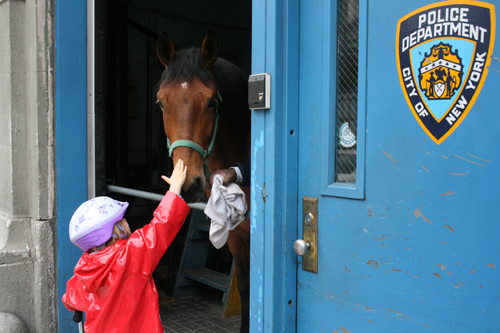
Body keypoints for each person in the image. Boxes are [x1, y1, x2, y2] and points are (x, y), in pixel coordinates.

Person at [62, 159, 189, 333]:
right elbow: (161, 226)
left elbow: (71, 297)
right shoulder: (132, 254)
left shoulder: (85, 267)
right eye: (123, 220)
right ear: (115, 230)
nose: (127, 221)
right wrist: (174, 189)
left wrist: (73, 306)